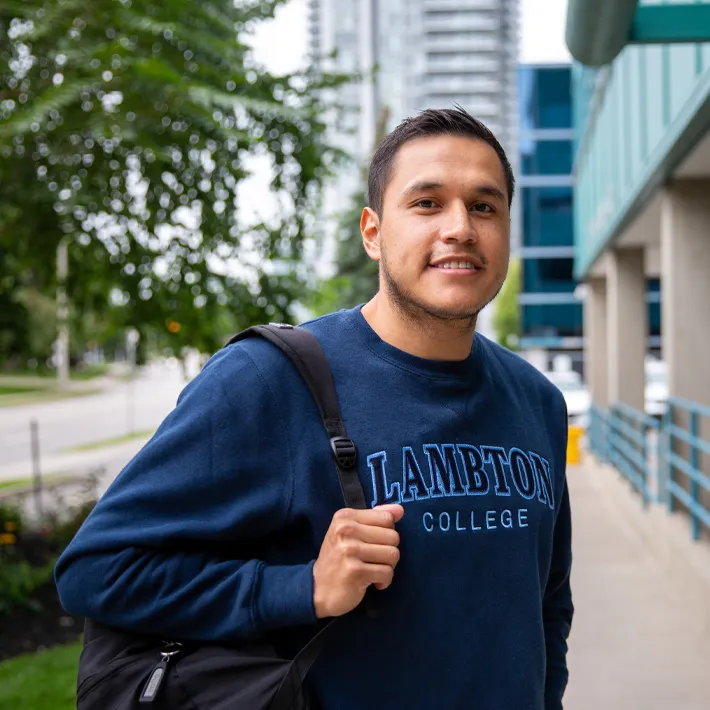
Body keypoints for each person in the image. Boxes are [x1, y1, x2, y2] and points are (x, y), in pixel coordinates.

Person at [56, 107, 573, 710]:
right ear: (373, 232)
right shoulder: (270, 380)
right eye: (427, 203)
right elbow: (96, 570)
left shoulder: (538, 402)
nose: (459, 227)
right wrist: (302, 588)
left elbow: (547, 606)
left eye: (484, 206)